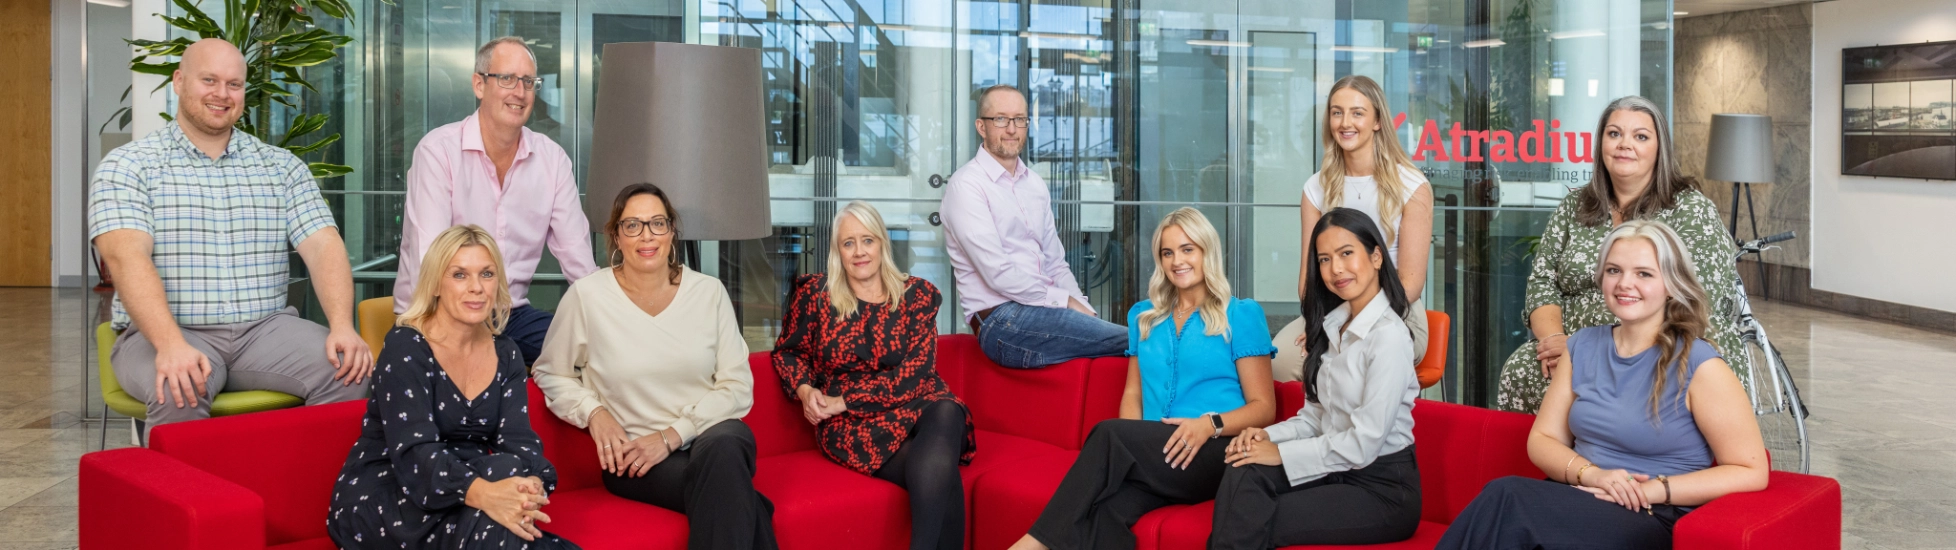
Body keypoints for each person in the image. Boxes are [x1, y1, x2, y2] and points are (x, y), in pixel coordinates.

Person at [88, 38, 369, 434]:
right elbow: (126, 258)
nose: (222, 94)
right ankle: (193, 498)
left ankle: (306, 492)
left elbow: (323, 245)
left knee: (350, 370)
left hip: (265, 330)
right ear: (179, 81)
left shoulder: (280, 166)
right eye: (209, 80)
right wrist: (169, 345)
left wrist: (342, 325)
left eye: (234, 84)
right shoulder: (130, 165)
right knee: (178, 388)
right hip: (168, 330)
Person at [1434, 220, 1770, 549]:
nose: (1625, 283)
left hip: (1650, 512)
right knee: (1505, 499)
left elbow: (1751, 470)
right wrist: (1593, 475)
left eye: (1644, 273)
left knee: (1507, 498)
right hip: (1580, 493)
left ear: (1670, 284)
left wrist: (1653, 489)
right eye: (1614, 271)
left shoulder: (1700, 364)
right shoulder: (1581, 346)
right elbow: (1543, 439)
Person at [1006, 207, 1277, 550]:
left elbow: (1264, 408)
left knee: (1107, 432)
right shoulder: (1143, 317)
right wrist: (1130, 451)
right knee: (1105, 511)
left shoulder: (1241, 314)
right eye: (1168, 252)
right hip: (1159, 454)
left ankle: (1031, 545)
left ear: (1207, 251)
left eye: (1188, 249)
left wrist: (1209, 424)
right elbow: (1133, 393)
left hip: (1214, 451)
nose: (1177, 260)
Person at [533, 184, 777, 550]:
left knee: (726, 448)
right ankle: (751, 505)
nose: (646, 236)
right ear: (616, 235)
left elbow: (737, 385)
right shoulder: (588, 297)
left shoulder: (709, 293)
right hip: (635, 460)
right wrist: (594, 412)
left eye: (657, 223)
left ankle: (742, 497)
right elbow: (550, 372)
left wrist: (671, 436)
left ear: (672, 232)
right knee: (737, 495)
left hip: (713, 437)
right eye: (633, 225)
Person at [328, 225, 578, 549]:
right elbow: (416, 456)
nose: (476, 288)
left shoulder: (506, 353)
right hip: (391, 495)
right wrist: (489, 494)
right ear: (435, 285)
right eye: (460, 275)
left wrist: (527, 487)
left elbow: (521, 444)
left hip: (464, 489)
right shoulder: (406, 346)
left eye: (486, 274)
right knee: (496, 517)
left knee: (505, 486)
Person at [1495, 96, 1749, 414]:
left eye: (1640, 136)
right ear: (1601, 143)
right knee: (1521, 369)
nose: (1624, 144)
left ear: (1660, 148)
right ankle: (1542, 462)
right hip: (1574, 345)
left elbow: (1694, 298)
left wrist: (1596, 350)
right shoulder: (1574, 207)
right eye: (1614, 134)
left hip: (1662, 342)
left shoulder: (1690, 210)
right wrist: (1557, 341)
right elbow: (1543, 282)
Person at [1211, 207, 1424, 548]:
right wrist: (1265, 437)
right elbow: (1315, 418)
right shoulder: (1333, 326)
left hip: (1382, 488)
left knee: (1251, 515)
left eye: (1346, 253)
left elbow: (1363, 444)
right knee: (1244, 468)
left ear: (1376, 257)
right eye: (1324, 259)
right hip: (1333, 468)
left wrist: (1281, 454)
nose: (1335, 269)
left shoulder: (1389, 337)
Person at [772, 201, 975, 550]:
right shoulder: (817, 296)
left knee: (946, 410)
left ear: (882, 243)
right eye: (848, 243)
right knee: (941, 474)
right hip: (851, 424)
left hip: (912, 400)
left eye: (867, 240)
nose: (859, 252)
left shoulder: (917, 296)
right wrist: (806, 391)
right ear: (838, 251)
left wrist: (842, 401)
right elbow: (788, 352)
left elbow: (916, 374)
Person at [395, 36, 597, 365]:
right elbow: (428, 259)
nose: (519, 92)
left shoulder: (552, 160)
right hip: (435, 314)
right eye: (506, 79)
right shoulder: (438, 152)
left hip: (510, 316)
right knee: (498, 366)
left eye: (528, 82)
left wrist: (613, 323)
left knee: (593, 356)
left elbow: (579, 260)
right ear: (479, 84)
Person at [940, 84, 1126, 369]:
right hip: (1001, 323)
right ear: (981, 126)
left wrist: (1082, 308)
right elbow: (998, 274)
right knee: (1135, 339)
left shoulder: (1035, 184)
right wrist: (1065, 301)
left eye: (1020, 119)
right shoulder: (967, 186)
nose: (1012, 129)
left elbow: (1055, 263)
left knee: (1125, 342)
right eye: (1000, 119)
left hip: (1041, 313)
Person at [1272, 75, 1435, 383]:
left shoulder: (1413, 187)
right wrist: (1320, 324)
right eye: (1337, 112)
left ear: (1377, 121)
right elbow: (1309, 277)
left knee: (1347, 361)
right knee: (1281, 362)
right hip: (1332, 305)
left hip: (1395, 310)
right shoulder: (1315, 188)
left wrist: (1347, 323)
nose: (1345, 122)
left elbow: (1410, 283)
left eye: (1357, 112)